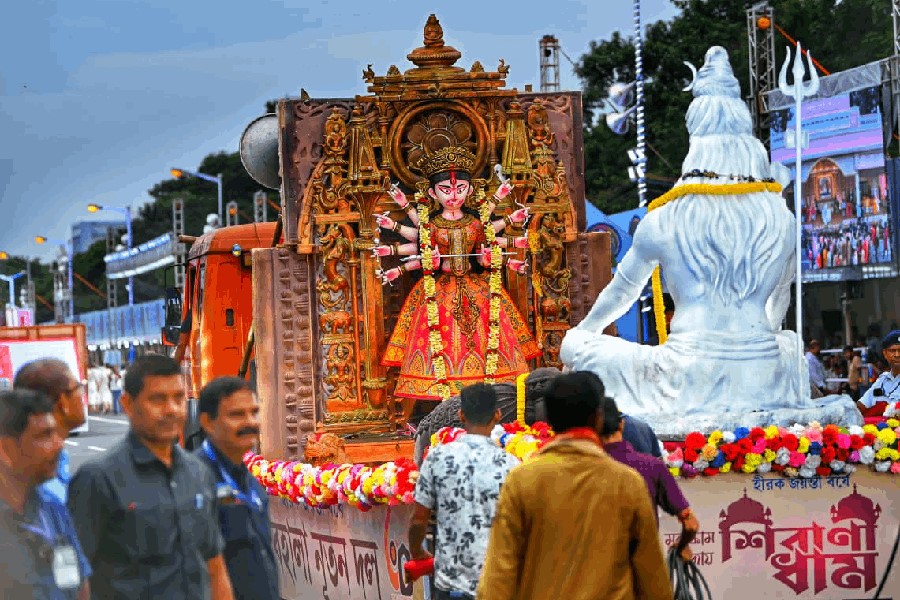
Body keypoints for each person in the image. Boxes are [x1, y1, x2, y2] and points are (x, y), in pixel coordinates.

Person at [476, 372, 672, 600]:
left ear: (547, 419)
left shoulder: (522, 480)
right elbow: (653, 580)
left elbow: (498, 577)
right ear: (598, 418)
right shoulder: (627, 483)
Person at [374, 146, 539, 411]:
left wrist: (488, 258)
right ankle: (438, 404)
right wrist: (425, 263)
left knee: (489, 342)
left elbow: (486, 256)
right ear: (432, 193)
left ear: (470, 191)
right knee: (437, 340)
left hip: (478, 289)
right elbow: (415, 250)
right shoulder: (431, 225)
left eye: (460, 189)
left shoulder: (476, 223)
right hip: (439, 290)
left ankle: (492, 399)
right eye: (446, 190)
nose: (453, 196)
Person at [67, 354, 233, 599]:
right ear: (127, 404)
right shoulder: (98, 478)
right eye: (157, 399)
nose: (171, 410)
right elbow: (77, 579)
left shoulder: (199, 472)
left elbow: (214, 567)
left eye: (178, 398)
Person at [409, 383, 518, 600]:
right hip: (497, 580)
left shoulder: (437, 458)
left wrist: (418, 553)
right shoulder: (512, 464)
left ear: (461, 414)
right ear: (497, 414)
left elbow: (418, 520)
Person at [0, 389, 91, 599]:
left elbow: (80, 587)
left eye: (56, 433)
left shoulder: (52, 509)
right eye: (44, 436)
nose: (59, 445)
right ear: (6, 449)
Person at [196, 377, 279, 600]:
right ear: (208, 422)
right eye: (237, 415)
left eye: (254, 412)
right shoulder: (192, 479)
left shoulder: (250, 479)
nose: (250, 422)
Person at [599, 395, 699, 560]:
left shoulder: (582, 469)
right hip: (643, 568)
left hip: (597, 573)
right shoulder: (653, 466)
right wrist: (682, 546)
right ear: (622, 424)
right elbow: (691, 524)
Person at [13, 359, 87, 503]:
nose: (82, 396)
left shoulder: (56, 458)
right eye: (78, 388)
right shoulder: (40, 481)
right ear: (63, 401)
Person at [858, 330, 900, 417]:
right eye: (892, 350)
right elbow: (862, 405)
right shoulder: (881, 381)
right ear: (885, 354)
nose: (897, 355)